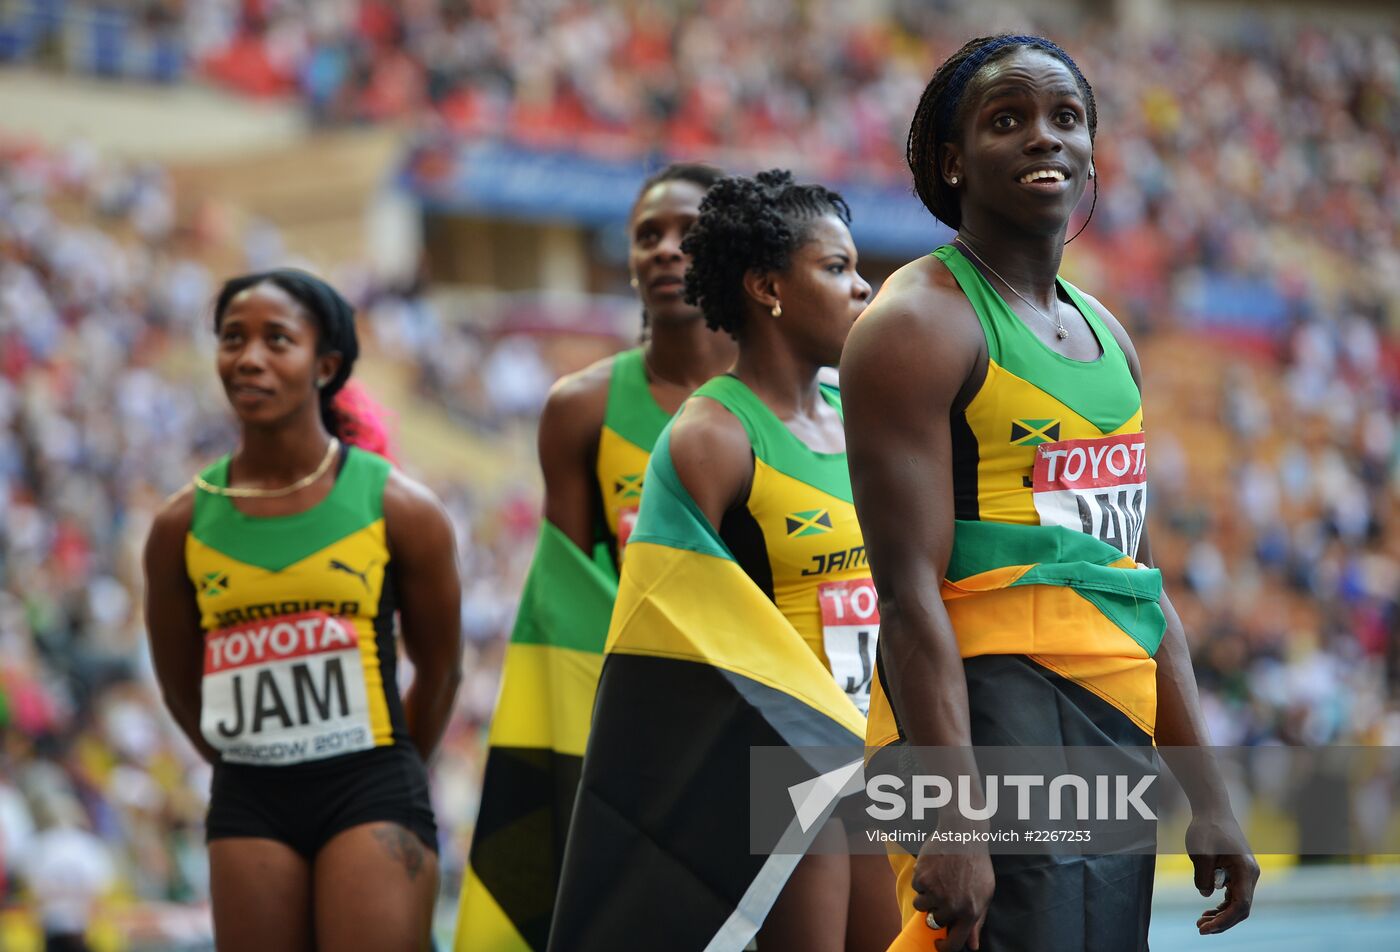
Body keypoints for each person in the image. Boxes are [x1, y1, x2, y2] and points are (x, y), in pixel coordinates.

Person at [840, 35, 1260, 951]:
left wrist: (1209, 795)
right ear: (951, 162)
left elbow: (1138, 581)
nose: (1045, 139)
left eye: (1066, 119)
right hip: (988, 713)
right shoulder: (915, 325)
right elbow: (907, 596)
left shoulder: (1110, 336)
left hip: (1112, 721)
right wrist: (950, 817)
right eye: (1008, 120)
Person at [550, 170, 898, 951]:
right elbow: (665, 633)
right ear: (767, 286)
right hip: (783, 774)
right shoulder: (710, 437)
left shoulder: (865, 415)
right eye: (837, 269)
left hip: (883, 759)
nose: (863, 287)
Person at [455, 162, 737, 952]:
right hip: (638, 737)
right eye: (649, 235)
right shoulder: (580, 409)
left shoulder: (805, 408)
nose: (667, 251)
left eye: (690, 233)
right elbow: (569, 599)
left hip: (773, 724)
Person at [143, 269, 462, 952]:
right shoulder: (179, 527)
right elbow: (179, 687)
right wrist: (258, 756)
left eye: (276, 339)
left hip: (370, 786)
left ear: (326, 365)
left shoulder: (399, 508)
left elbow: (440, 672)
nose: (249, 357)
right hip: (250, 795)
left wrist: (394, 768)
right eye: (233, 339)